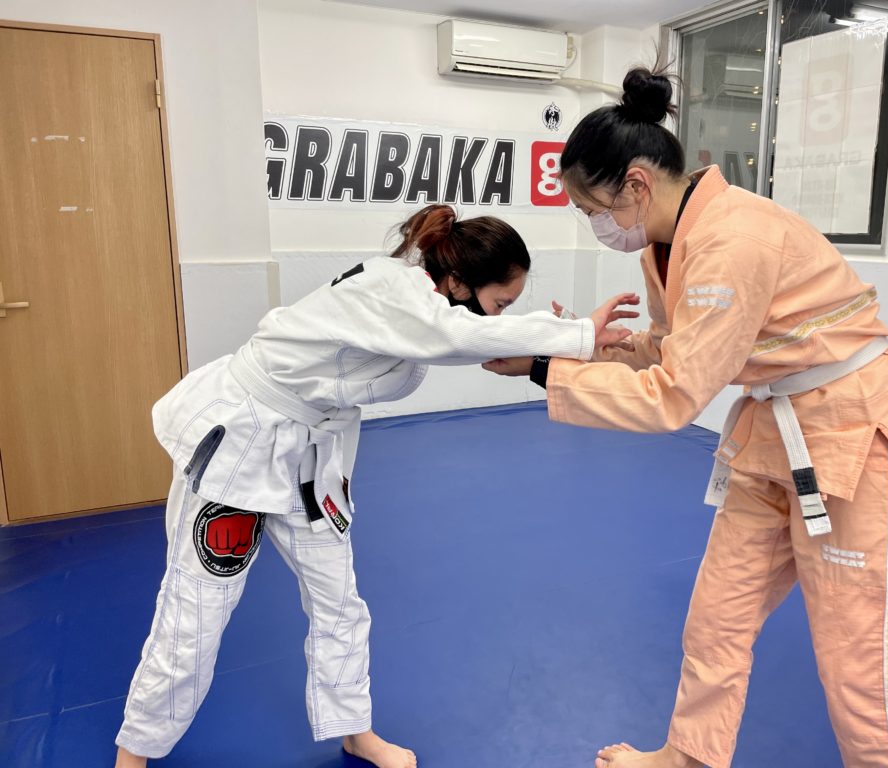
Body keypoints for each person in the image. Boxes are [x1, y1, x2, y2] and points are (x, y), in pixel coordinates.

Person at [485, 66, 888, 768]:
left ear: (636, 185)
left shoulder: (734, 240)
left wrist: (550, 372)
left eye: (590, 208)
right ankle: (689, 757)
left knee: (859, 656)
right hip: (773, 431)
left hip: (854, 432)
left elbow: (673, 395)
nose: (594, 225)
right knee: (716, 619)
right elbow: (670, 349)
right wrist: (578, 346)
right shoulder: (667, 243)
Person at [113, 203, 639, 768]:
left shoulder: (425, 307)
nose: (498, 315)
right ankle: (134, 751)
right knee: (197, 608)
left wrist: (562, 344)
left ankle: (352, 729)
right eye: (500, 303)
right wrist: (577, 333)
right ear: (458, 281)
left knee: (340, 603)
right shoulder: (397, 292)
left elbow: (461, 336)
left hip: (309, 457)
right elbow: (456, 333)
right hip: (243, 443)